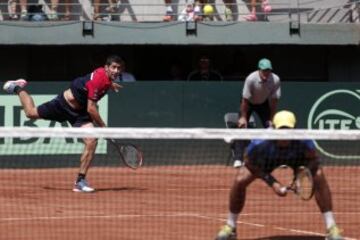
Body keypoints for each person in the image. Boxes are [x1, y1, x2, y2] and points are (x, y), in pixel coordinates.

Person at [215, 110, 344, 240]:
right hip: (267, 160)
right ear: (274, 128)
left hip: (296, 160)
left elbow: (314, 159)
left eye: (287, 130)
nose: (284, 134)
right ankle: (230, 226)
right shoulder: (260, 142)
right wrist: (272, 183)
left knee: (319, 174)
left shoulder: (303, 140)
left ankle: (331, 227)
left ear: (294, 129)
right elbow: (249, 163)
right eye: (281, 129)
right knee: (240, 179)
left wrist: (303, 172)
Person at [2, 55, 123, 193]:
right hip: (63, 105)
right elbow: (91, 108)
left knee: (92, 140)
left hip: (79, 113)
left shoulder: (105, 77)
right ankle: (17, 88)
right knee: (30, 113)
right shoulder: (98, 80)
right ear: (106, 67)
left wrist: (110, 84)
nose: (116, 70)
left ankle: (80, 181)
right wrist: (103, 128)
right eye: (113, 67)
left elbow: (96, 90)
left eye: (119, 68)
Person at [232, 58, 280, 168]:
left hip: (263, 104)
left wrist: (272, 119)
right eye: (264, 70)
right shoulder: (251, 79)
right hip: (248, 103)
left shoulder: (275, 80)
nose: (266, 73)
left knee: (271, 128)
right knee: (242, 127)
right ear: (259, 70)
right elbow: (244, 100)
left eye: (268, 70)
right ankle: (238, 159)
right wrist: (243, 117)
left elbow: (274, 101)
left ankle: (276, 157)